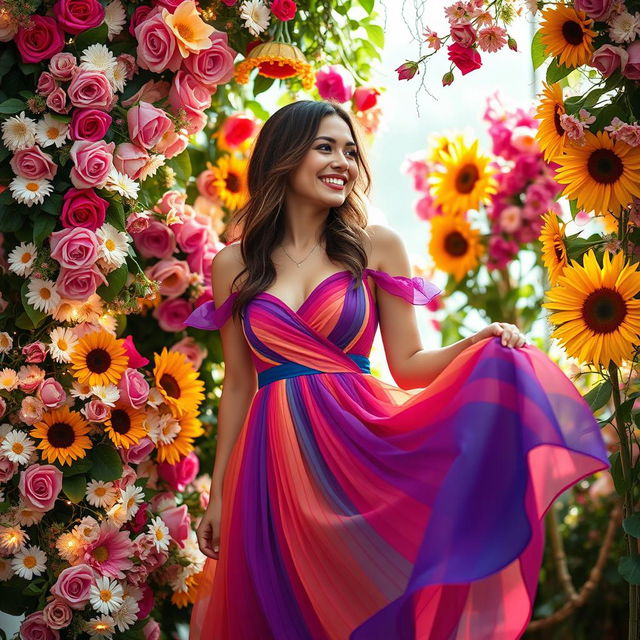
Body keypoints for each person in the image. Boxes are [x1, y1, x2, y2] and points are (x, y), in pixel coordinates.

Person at [185, 100, 608, 640]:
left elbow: (408, 368)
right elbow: (240, 387)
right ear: (283, 158)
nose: (344, 162)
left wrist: (474, 343)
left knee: (361, 606)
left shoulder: (377, 247)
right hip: (269, 470)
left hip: (359, 455)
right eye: (325, 147)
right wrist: (219, 495)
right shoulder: (234, 264)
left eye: (350, 151)